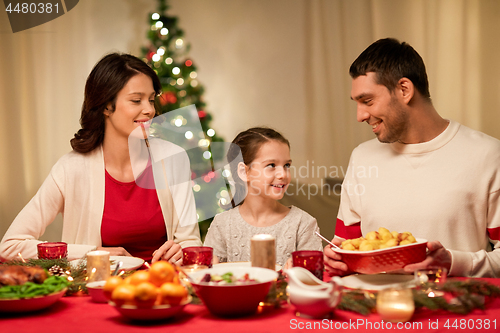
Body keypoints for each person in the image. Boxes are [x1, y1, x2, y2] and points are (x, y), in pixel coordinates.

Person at [0, 53, 202, 263]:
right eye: (136, 100)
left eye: (151, 99)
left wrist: (182, 251)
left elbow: (190, 242)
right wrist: (91, 253)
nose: (150, 110)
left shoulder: (174, 158)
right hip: (96, 291)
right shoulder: (71, 168)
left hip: (160, 288)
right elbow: (10, 246)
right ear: (106, 105)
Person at [324, 38, 500, 278]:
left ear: (404, 90)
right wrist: (335, 259)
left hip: (455, 310)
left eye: (367, 101)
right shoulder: (361, 157)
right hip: (375, 310)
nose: (360, 115)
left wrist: (453, 263)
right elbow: (345, 247)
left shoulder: (488, 155)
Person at [203, 127, 323, 268]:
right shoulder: (222, 224)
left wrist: (301, 271)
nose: (283, 174)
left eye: (287, 165)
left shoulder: (303, 224)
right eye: (271, 165)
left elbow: (314, 279)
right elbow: (208, 278)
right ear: (244, 172)